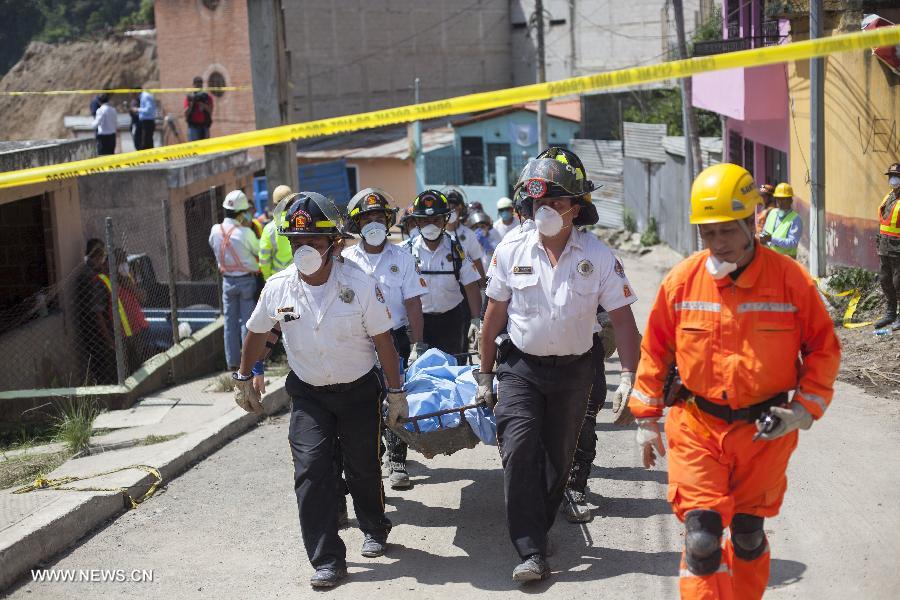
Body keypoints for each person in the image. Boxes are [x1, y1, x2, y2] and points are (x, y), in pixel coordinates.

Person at [629, 163, 841, 599]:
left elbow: (823, 349)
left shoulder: (790, 281)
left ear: (751, 223)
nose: (717, 244)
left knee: (746, 536)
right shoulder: (683, 282)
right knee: (703, 541)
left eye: (727, 231)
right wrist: (645, 418)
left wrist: (802, 410)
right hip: (696, 426)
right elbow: (656, 349)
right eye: (707, 234)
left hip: (764, 431)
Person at [476, 147, 642, 582]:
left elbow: (623, 321)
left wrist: (629, 378)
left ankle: (539, 527)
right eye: (538, 203)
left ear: (576, 207)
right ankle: (529, 550)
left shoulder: (599, 257)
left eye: (556, 202)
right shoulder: (510, 249)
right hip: (520, 368)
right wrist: (485, 374)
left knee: (557, 457)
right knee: (518, 448)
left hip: (574, 370)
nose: (545, 210)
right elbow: (493, 316)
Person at [232, 191, 405, 589]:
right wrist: (244, 377)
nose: (304, 249)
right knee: (310, 470)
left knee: (362, 467)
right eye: (296, 243)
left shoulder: (361, 284)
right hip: (309, 394)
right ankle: (327, 558)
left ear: (335, 244)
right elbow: (257, 332)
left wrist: (395, 392)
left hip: (360, 391)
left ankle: (375, 526)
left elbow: (384, 343)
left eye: (313, 242)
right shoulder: (278, 288)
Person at [343, 188, 428, 489]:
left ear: (389, 220)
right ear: (357, 225)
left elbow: (414, 303)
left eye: (379, 217)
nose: (374, 224)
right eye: (367, 219)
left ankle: (398, 461)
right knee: (364, 402)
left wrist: (418, 344)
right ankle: (371, 460)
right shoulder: (345, 261)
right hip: (357, 342)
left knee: (395, 395)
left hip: (394, 339)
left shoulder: (403, 258)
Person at [402, 190, 482, 358]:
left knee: (453, 370)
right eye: (425, 221)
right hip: (417, 323)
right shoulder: (405, 251)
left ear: (445, 220)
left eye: (436, 220)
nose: (431, 225)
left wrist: (476, 320)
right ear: (416, 221)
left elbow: (471, 286)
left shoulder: (456, 251)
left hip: (451, 321)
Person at [208, 189, 259, 370]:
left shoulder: (215, 231)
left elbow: (214, 247)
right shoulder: (245, 232)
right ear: (241, 213)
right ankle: (248, 363)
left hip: (227, 282)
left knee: (229, 324)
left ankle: (232, 363)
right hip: (246, 281)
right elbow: (258, 250)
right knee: (247, 323)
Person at [73, 239, 116, 384]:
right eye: (102, 255)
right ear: (97, 254)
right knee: (105, 372)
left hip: (91, 332)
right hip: (99, 334)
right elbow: (97, 313)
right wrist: (109, 340)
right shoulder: (93, 277)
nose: (104, 259)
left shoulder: (87, 273)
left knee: (100, 370)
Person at [112, 249, 151, 372]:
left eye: (125, 260)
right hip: (122, 331)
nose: (124, 264)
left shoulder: (128, 278)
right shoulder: (112, 281)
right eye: (121, 261)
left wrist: (130, 285)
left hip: (134, 327)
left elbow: (143, 297)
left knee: (137, 362)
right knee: (126, 366)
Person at [875, 163, 900, 330]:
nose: (892, 179)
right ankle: (891, 313)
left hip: (898, 248)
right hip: (884, 246)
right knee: (885, 280)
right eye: (890, 176)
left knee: (899, 282)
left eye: (895, 176)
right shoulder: (890, 196)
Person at [259, 185, 296, 280]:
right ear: (294, 201)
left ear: (275, 205)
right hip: (300, 277)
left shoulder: (269, 229)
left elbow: (264, 259)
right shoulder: (301, 223)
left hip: (277, 279)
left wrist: (268, 279)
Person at [759, 183, 802, 258]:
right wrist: (762, 238)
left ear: (790, 200)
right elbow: (765, 232)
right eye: (778, 199)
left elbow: (793, 242)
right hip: (770, 257)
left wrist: (771, 239)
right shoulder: (772, 213)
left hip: (787, 261)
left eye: (783, 199)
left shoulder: (796, 218)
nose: (780, 202)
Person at [185, 76, 214, 141]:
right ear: (193, 85)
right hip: (193, 127)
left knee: (205, 148)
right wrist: (191, 105)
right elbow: (186, 114)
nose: (198, 86)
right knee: (194, 148)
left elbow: (210, 111)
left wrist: (203, 105)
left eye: (200, 84)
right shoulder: (190, 97)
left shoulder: (206, 97)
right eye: (196, 84)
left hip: (205, 126)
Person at [137, 83, 156, 150]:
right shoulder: (143, 96)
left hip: (148, 122)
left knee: (146, 142)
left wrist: (137, 109)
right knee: (147, 141)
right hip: (146, 122)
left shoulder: (145, 96)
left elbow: (149, 109)